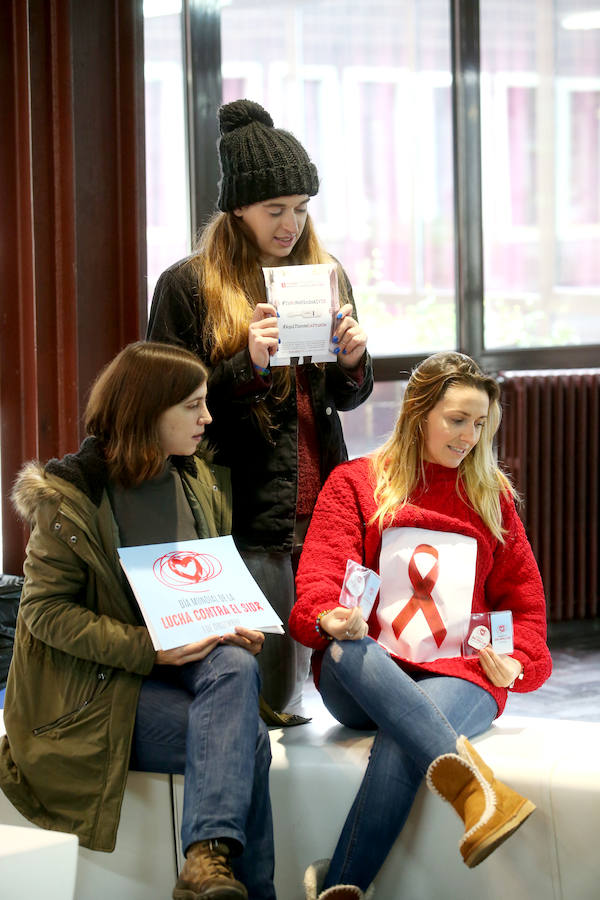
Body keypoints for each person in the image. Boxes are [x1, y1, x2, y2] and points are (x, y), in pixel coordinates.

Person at [0, 342, 275, 900]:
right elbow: (44, 613)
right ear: (149, 412)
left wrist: (234, 622)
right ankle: (217, 871)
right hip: (90, 692)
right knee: (247, 743)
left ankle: (206, 865)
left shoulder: (197, 479)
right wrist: (148, 648)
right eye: (193, 406)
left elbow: (201, 585)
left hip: (179, 669)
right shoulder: (72, 496)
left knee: (234, 662)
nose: (208, 417)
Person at [289, 351, 552, 900]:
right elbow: (316, 585)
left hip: (461, 673)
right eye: (457, 420)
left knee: (403, 734)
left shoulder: (491, 496)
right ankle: (479, 795)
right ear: (418, 413)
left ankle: (340, 887)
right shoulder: (355, 484)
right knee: (348, 652)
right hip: (364, 672)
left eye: (480, 424)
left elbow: (524, 605)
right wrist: (330, 617)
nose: (469, 438)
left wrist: (518, 661)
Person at [147, 98, 373, 716]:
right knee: (269, 696)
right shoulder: (188, 286)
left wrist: (353, 363)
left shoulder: (326, 274)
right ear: (237, 208)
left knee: (346, 686)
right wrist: (245, 366)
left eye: (301, 210)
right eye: (275, 210)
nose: (290, 225)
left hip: (322, 501)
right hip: (240, 510)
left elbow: (344, 398)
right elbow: (160, 407)